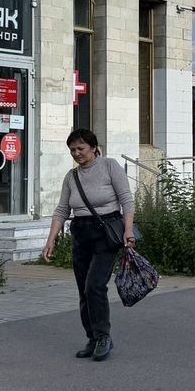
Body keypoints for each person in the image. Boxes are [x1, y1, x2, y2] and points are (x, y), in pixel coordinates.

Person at [42, 128, 135, 362]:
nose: (76, 153)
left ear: (93, 147)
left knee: (94, 286)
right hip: (81, 233)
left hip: (106, 232)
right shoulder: (71, 177)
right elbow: (62, 209)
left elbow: (126, 199)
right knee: (83, 289)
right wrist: (51, 238)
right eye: (72, 150)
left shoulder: (109, 166)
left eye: (81, 148)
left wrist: (128, 230)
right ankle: (92, 338)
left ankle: (103, 336)